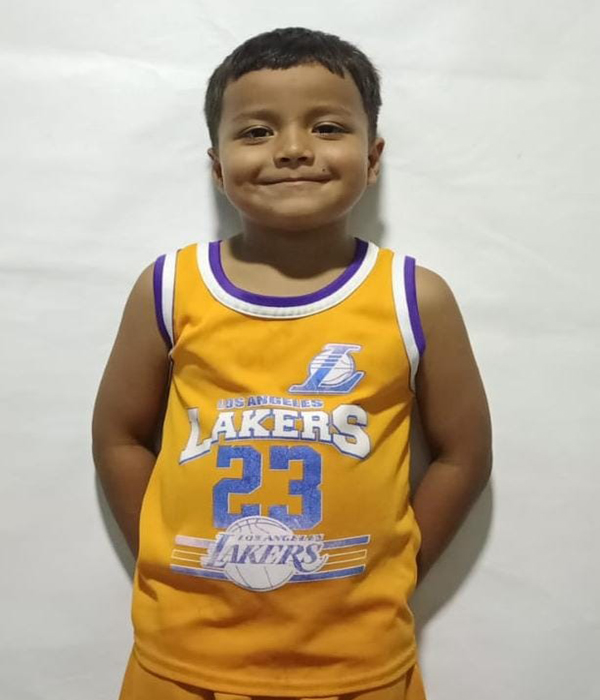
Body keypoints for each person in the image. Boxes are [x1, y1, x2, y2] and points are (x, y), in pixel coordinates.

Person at [92, 26, 492, 700]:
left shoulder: (415, 297)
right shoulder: (169, 287)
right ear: (217, 166)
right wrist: (165, 560)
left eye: (328, 127)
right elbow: (119, 437)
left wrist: (392, 571)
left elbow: (464, 455)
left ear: (373, 158)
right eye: (256, 132)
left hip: (360, 664)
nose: (293, 149)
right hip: (179, 661)